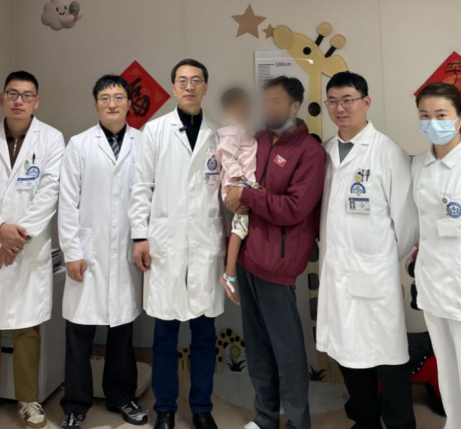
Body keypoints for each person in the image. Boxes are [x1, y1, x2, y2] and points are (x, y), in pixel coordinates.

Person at [0, 71, 65, 429]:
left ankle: (29, 401)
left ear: (36, 101)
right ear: (1, 98)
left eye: (27, 95)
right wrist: (0, 231)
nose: (19, 101)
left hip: (27, 249)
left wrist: (18, 239)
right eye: (13, 94)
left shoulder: (51, 139)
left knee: (27, 330)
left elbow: (49, 192)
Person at [316, 71, 417, 429]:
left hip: (375, 275)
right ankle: (366, 420)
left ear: (366, 102)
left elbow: (406, 226)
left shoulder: (388, 153)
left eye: (348, 100)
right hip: (337, 273)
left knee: (388, 359)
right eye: (333, 101)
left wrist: (381, 262)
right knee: (348, 354)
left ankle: (401, 424)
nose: (340, 108)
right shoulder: (324, 152)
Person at [224, 76, 325, 429]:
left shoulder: (310, 152)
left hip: (278, 265)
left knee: (287, 350)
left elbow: (294, 209)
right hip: (249, 259)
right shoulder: (260, 140)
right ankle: (265, 416)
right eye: (266, 101)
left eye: (277, 101)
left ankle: (297, 421)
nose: (269, 108)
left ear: (295, 105)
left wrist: (248, 196)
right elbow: (241, 187)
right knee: (256, 345)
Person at [129, 59, 224, 429]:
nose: (189, 86)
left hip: (205, 243)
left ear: (205, 87)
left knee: (204, 333)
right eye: (182, 80)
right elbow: (141, 187)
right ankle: (165, 408)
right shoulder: (154, 131)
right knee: (165, 332)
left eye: (196, 80)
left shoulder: (219, 134)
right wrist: (140, 235)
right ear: (172, 88)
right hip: (166, 243)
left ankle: (201, 408)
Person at [58, 74, 148, 429]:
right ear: (96, 103)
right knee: (79, 334)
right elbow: (67, 202)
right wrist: (72, 251)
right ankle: (75, 405)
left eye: (119, 97)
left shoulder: (143, 143)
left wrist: (144, 238)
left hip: (126, 248)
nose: (112, 103)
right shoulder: (79, 144)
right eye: (105, 97)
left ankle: (121, 397)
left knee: (122, 331)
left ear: (129, 103)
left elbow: (149, 195)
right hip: (87, 249)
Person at [412, 82, 461, 429]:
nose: (433, 123)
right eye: (425, 115)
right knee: (449, 376)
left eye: (441, 115)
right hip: (433, 287)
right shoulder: (419, 165)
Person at [216, 87, 259, 305]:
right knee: (240, 226)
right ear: (227, 109)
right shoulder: (231, 132)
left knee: (241, 226)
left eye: (245, 104)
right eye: (237, 105)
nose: (243, 109)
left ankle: (232, 270)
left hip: (245, 184)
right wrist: (240, 180)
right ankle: (229, 273)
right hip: (237, 185)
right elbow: (227, 157)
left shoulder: (242, 130)